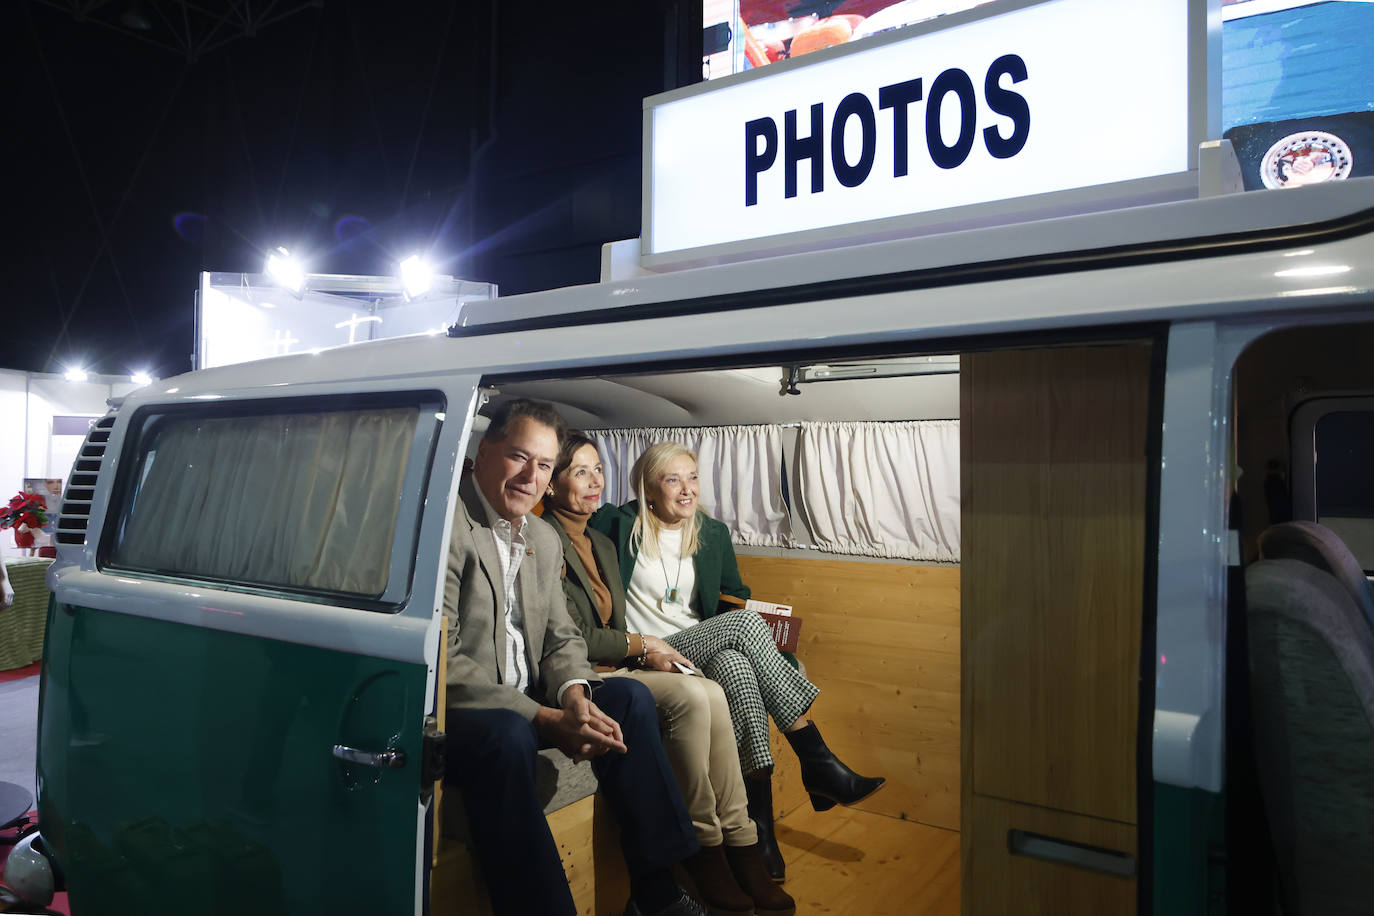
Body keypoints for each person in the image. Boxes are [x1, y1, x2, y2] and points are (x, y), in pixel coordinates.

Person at [441, 400, 705, 916]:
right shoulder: (449, 527)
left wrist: (576, 698)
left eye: (543, 465)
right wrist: (543, 718)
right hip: (469, 713)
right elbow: (442, 660)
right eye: (519, 457)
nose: (530, 476)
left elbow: (563, 639)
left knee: (628, 697)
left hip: (534, 697)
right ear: (483, 451)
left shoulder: (541, 536)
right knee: (509, 733)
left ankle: (656, 889)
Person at [591, 441, 885, 882]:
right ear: (648, 487)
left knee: (737, 666)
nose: (687, 490)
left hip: (698, 644)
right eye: (673, 480)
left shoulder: (711, 533)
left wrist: (766, 628)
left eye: (692, 477)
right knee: (745, 631)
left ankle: (758, 830)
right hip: (650, 651)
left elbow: (735, 598)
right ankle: (814, 756)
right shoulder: (617, 524)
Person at [545, 432, 796, 916]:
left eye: (599, 469)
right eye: (580, 471)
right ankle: (709, 842)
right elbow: (571, 637)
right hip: (609, 665)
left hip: (647, 654)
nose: (595, 480)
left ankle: (744, 840)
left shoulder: (597, 538)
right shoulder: (595, 530)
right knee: (697, 692)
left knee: (724, 682)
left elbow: (730, 593)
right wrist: (645, 647)